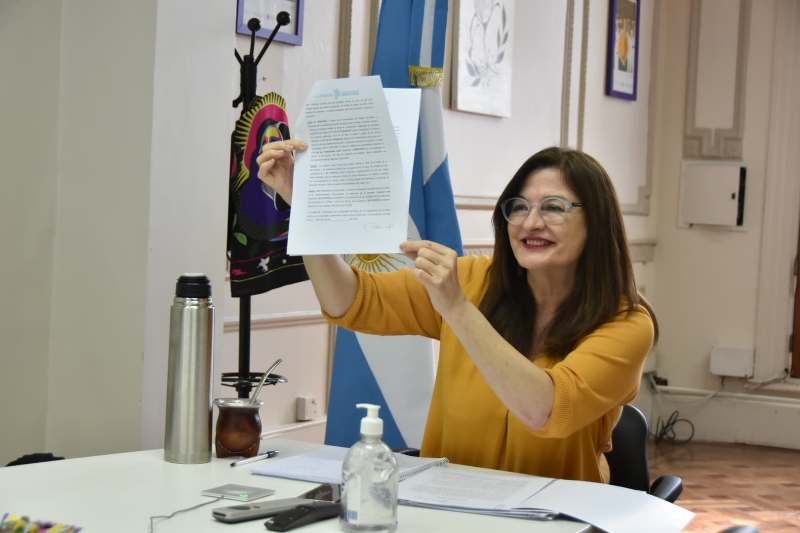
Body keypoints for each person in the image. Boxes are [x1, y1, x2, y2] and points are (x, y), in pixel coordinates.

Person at [256, 140, 656, 483]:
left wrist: (457, 308)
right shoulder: (473, 279)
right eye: (519, 207)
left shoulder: (627, 322)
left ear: (596, 221)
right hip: (447, 508)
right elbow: (350, 301)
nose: (531, 223)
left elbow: (546, 410)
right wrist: (306, 211)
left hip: (556, 518)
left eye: (553, 207)